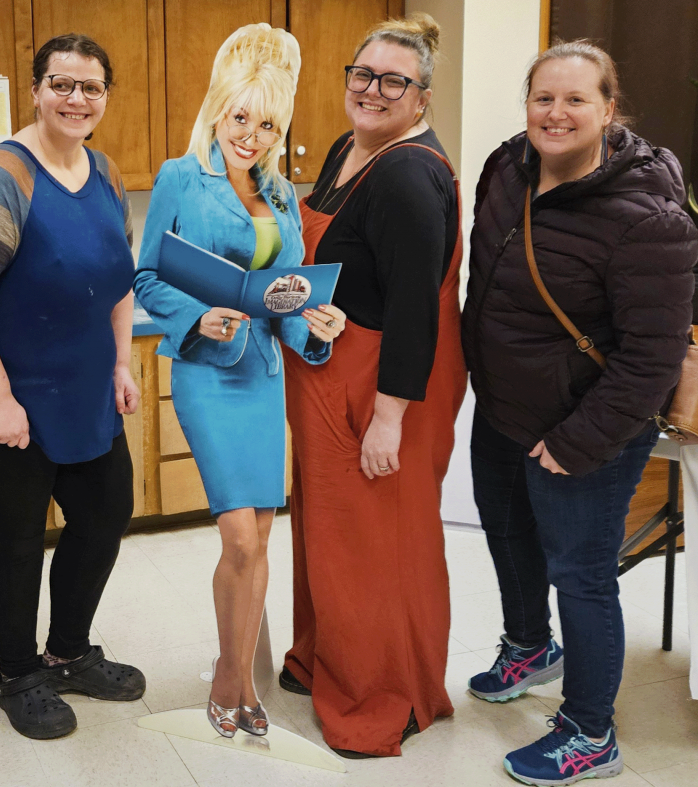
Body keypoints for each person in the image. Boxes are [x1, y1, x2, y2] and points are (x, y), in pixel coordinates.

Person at [463, 40, 697, 786]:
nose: (555, 113)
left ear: (608, 109)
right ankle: (530, 646)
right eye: (543, 98)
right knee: (506, 533)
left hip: (586, 430)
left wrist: (579, 440)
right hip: (501, 405)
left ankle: (591, 731)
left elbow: (651, 359)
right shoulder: (507, 165)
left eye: (575, 100)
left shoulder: (649, 217)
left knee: (582, 574)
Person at [0, 33, 145, 741]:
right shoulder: (2, 177)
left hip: (77, 381)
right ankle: (18, 671)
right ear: (36, 90)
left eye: (91, 87)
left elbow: (117, 277)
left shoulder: (103, 171)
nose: (76, 99)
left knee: (105, 512)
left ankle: (70, 652)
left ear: (106, 96)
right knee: (17, 535)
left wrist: (120, 362)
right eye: (61, 84)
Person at [134, 23, 345, 739]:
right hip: (206, 373)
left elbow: (284, 298)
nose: (251, 135)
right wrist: (200, 316)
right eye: (240, 117)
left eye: (267, 123)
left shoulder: (282, 194)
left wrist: (311, 328)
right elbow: (147, 279)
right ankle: (231, 676)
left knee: (260, 532)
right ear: (217, 110)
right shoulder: (178, 177)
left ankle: (239, 673)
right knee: (241, 536)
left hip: (263, 377)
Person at [278, 13, 466, 757]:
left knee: (373, 546)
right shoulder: (345, 147)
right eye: (363, 74)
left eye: (394, 81)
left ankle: (382, 693)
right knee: (330, 535)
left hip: (382, 387)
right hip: (329, 373)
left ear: (421, 96)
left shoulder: (409, 175)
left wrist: (389, 417)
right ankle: (327, 657)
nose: (373, 90)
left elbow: (416, 310)